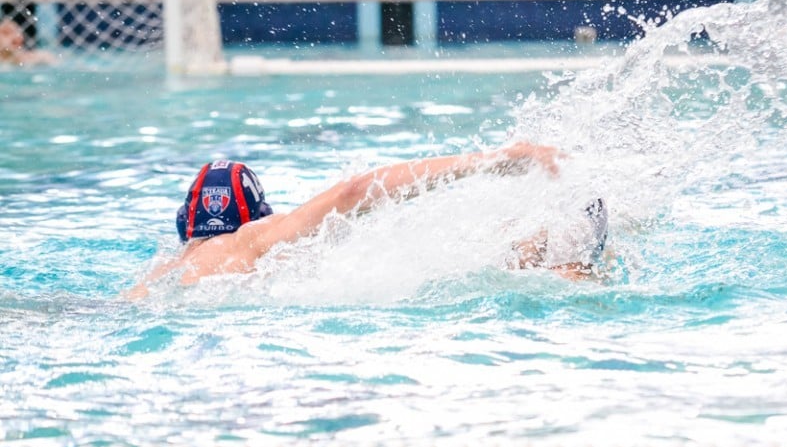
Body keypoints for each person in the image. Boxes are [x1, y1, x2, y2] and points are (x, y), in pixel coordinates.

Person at [130, 142, 585, 298]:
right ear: (255, 217)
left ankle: (539, 256)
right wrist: (493, 160)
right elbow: (355, 192)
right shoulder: (248, 241)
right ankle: (553, 263)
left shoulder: (157, 275)